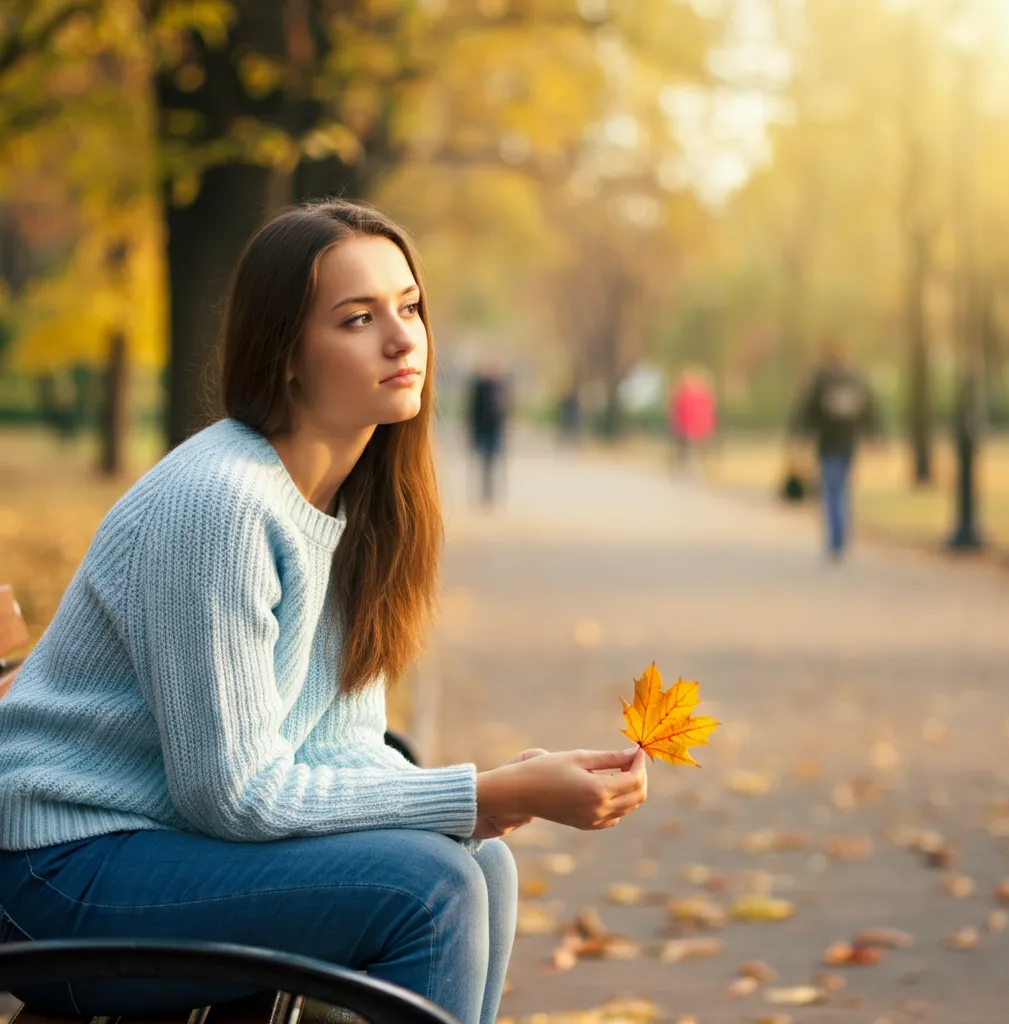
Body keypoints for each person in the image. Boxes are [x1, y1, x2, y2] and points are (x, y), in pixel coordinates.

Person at [0, 200, 647, 1024]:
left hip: (155, 847)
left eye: (409, 307)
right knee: (433, 889)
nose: (401, 338)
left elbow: (334, 748)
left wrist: (497, 799)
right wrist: (476, 792)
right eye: (357, 318)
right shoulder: (220, 504)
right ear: (287, 356)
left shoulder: (352, 508)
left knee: (480, 866)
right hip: (61, 873)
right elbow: (229, 794)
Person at [791, 340, 881, 559]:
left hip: (828, 444)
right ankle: (841, 535)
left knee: (831, 491)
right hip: (849, 443)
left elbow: (807, 411)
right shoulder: (855, 379)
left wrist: (800, 434)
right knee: (842, 488)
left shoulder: (822, 380)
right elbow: (870, 409)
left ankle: (836, 538)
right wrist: (873, 434)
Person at [465, 361, 510, 505]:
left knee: (491, 463)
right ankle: (485, 493)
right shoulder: (481, 386)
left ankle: (490, 493)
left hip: (493, 429)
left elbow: (506, 409)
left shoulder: (500, 385)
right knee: (485, 463)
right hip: (483, 429)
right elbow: (474, 409)